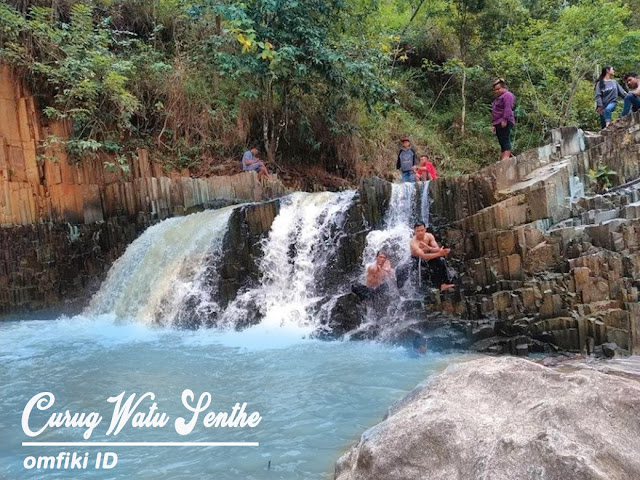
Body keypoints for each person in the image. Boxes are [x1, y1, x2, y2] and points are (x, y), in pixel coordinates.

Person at [409, 222, 455, 291]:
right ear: (414, 231)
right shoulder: (413, 242)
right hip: (417, 259)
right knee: (426, 267)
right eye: (418, 231)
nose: (420, 233)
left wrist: (429, 248)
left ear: (425, 229)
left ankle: (444, 284)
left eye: (422, 230)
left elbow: (436, 248)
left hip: (429, 255)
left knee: (441, 260)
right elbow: (424, 256)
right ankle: (432, 286)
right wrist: (440, 253)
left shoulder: (429, 236)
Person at [491, 79, 516, 162]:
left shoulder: (507, 95)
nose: (497, 91)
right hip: (497, 122)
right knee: (501, 140)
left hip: (504, 120)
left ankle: (506, 157)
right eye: (495, 90)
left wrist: (505, 119)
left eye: (498, 89)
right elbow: (495, 112)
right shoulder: (497, 99)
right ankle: (503, 157)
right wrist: (493, 125)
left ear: (503, 88)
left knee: (505, 138)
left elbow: (508, 108)